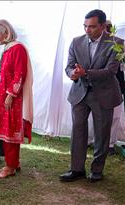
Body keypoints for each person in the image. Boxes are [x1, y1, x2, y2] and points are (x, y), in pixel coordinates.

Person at [60, 9, 123, 183]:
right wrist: (72, 73)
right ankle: (76, 169)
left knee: (102, 134)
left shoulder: (117, 43)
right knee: (78, 131)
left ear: (103, 26)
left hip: (104, 94)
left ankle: (97, 170)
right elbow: (69, 67)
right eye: (85, 26)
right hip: (79, 93)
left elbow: (110, 71)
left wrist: (84, 72)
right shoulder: (76, 41)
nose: (87, 30)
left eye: (92, 27)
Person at [0, 19, 33, 178]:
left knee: (10, 132)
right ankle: (13, 162)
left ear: (6, 33)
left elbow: (19, 74)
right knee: (6, 131)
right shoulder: (7, 49)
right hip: (2, 97)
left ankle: (10, 166)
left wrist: (10, 95)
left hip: (12, 99)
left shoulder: (17, 48)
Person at [87, 19, 125, 156]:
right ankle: (93, 140)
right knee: (95, 115)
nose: (106, 31)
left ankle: (110, 144)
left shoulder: (119, 43)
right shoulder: (92, 44)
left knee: (115, 116)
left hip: (117, 85)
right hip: (97, 84)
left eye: (109, 28)